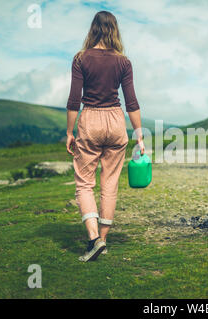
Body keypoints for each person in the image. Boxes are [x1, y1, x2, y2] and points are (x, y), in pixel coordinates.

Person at [65, 11, 145, 262]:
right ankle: (103, 240)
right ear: (114, 31)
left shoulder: (80, 58)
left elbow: (74, 100)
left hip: (90, 120)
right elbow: (131, 102)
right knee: (109, 184)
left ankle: (93, 239)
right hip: (115, 121)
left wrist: (69, 131)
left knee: (84, 183)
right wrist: (139, 136)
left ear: (93, 30)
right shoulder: (124, 62)